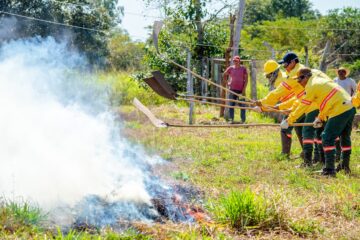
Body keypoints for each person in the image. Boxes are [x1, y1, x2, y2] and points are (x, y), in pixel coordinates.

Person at [284, 67, 356, 176]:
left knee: (327, 137)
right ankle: (344, 166)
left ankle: (329, 170)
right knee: (345, 137)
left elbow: (303, 105)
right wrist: (320, 117)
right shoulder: (320, 81)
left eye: (299, 79)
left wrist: (289, 120)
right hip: (349, 107)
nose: (299, 83)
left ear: (306, 77)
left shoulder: (311, 86)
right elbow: (325, 102)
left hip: (339, 109)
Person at [223, 55, 248, 123]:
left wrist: (244, 89)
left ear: (239, 61)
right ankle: (231, 120)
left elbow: (246, 79)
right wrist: (227, 83)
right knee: (231, 105)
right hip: (232, 89)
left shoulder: (243, 69)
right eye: (234, 61)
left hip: (241, 90)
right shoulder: (231, 68)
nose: (235, 62)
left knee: (242, 105)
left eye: (237, 61)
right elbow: (224, 74)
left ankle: (243, 120)